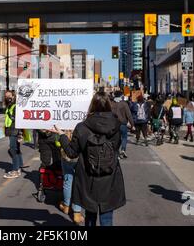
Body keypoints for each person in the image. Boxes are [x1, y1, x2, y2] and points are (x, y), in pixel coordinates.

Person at [53, 92, 125, 226]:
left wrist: (62, 135)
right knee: (107, 219)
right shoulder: (117, 126)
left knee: (90, 218)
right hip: (110, 177)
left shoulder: (82, 127)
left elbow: (71, 153)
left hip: (87, 177)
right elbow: (116, 148)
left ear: (92, 105)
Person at [3, 90, 24, 179]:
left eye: (9, 96)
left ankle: (15, 170)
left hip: (14, 131)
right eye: (6, 96)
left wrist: (20, 133)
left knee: (13, 150)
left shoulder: (15, 106)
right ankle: (19, 167)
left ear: (13, 96)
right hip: (11, 130)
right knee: (17, 149)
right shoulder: (10, 106)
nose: (8, 98)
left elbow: (18, 120)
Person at [111, 91, 135, 158]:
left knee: (115, 138)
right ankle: (123, 149)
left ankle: (116, 152)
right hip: (122, 123)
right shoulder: (124, 104)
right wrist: (132, 124)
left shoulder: (111, 103)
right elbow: (129, 115)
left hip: (114, 124)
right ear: (121, 96)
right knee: (124, 137)